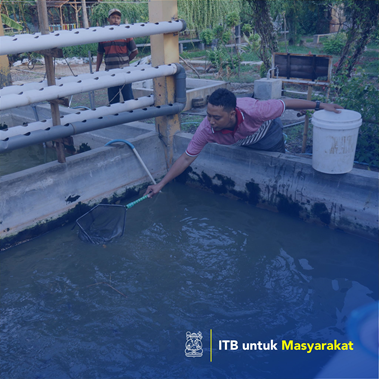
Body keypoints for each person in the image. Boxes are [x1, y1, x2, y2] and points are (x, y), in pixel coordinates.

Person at [145, 88, 343, 197]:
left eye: (216, 117)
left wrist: (320, 105)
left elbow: (287, 103)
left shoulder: (256, 110)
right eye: (208, 115)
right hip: (244, 141)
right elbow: (187, 158)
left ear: (232, 113)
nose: (211, 121)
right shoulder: (206, 128)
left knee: (278, 164)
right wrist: (161, 183)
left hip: (269, 135)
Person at [96, 8, 138, 104]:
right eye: (113, 17)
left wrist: (126, 61)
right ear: (108, 19)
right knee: (113, 101)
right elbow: (100, 53)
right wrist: (97, 70)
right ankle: (116, 118)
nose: (116, 20)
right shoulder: (102, 35)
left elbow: (135, 51)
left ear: (120, 20)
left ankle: (131, 118)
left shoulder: (125, 33)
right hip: (110, 73)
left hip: (125, 72)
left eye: (118, 18)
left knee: (128, 99)